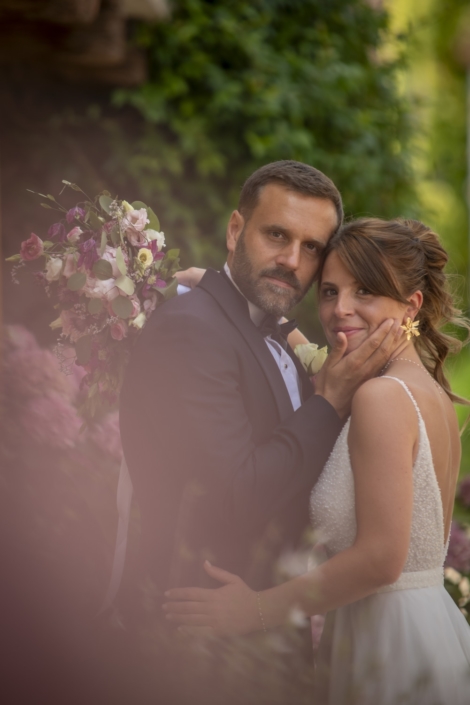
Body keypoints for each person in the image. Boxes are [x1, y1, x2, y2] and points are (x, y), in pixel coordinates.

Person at [163, 217, 470, 704]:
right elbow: (311, 355)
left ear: (411, 304)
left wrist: (255, 611)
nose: (340, 310)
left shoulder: (381, 400)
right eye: (329, 291)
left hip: (387, 643)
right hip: (425, 623)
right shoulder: (428, 392)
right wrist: (224, 295)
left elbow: (381, 559)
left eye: (365, 291)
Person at [119, 161, 402, 620]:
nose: (292, 261)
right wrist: (328, 402)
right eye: (277, 235)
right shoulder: (193, 331)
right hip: (191, 635)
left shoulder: (266, 334)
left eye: (311, 247)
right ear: (236, 230)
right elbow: (236, 497)